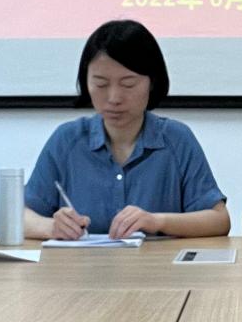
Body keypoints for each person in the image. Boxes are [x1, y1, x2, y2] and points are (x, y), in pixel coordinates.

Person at [24, 20, 229, 239]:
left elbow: (219, 220)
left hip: (156, 262)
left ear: (152, 82)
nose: (114, 98)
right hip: (82, 262)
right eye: (101, 84)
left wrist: (157, 221)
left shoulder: (176, 139)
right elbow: (20, 216)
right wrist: (51, 227)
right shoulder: (67, 140)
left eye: (128, 84)